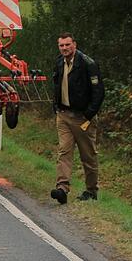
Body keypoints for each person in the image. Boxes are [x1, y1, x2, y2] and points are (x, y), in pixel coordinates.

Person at [50, 32, 105, 204]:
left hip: (82, 117)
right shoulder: (59, 63)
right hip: (63, 115)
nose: (64, 48)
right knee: (64, 152)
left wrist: (89, 114)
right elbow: (57, 85)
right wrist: (56, 106)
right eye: (61, 45)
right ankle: (62, 189)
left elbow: (99, 92)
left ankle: (91, 190)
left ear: (75, 44)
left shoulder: (88, 64)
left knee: (88, 155)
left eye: (67, 45)